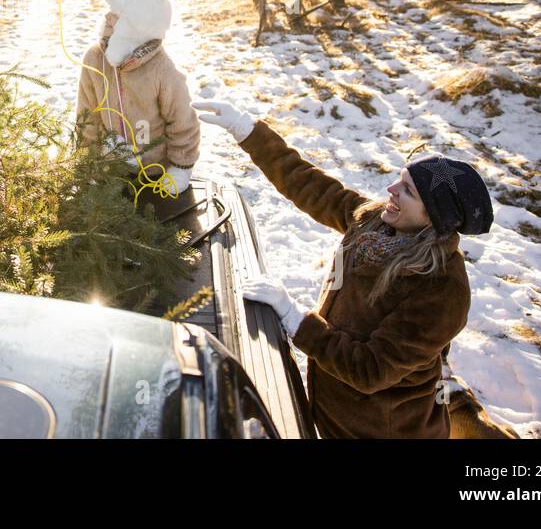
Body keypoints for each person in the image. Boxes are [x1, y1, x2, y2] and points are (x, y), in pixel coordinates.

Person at [194, 98, 494, 439]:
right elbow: (310, 187)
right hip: (333, 407)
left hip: (380, 429)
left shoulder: (441, 291)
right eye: (400, 179)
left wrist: (295, 318)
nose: (390, 190)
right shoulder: (375, 222)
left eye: (407, 191)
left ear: (434, 218)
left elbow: (370, 369)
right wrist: (246, 130)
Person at [75, 0, 201, 220]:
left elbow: (182, 120)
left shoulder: (161, 69)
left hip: (156, 175)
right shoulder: (94, 59)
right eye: (108, 13)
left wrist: (180, 168)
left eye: (117, 15)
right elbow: (86, 114)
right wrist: (89, 159)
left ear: (138, 24)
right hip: (111, 170)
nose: (107, 18)